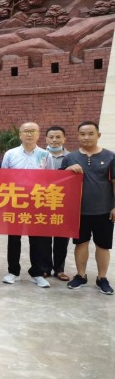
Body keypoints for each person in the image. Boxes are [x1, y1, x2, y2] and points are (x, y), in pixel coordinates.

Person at [62, 121, 115, 295]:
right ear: (77, 136)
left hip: (104, 211)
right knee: (81, 243)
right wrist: (68, 169)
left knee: (103, 245)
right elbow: (60, 182)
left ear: (98, 135)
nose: (86, 137)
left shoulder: (110, 156)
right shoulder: (70, 157)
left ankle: (102, 278)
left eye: (91, 133)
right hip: (79, 211)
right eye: (82, 134)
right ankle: (81, 275)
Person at [2, 122, 54, 288]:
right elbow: (3, 178)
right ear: (20, 135)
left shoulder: (46, 155)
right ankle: (13, 271)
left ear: (38, 134)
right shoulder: (10, 154)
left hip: (37, 203)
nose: (29, 134)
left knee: (38, 239)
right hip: (15, 202)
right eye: (26, 131)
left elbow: (51, 179)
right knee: (14, 238)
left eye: (32, 131)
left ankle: (37, 272)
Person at [45, 126, 71, 281]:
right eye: (51, 137)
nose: (54, 140)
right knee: (44, 238)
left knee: (62, 237)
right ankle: (45, 268)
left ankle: (59, 269)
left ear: (64, 139)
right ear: (46, 139)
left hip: (64, 203)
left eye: (58, 137)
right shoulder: (40, 155)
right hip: (43, 202)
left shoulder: (72, 157)